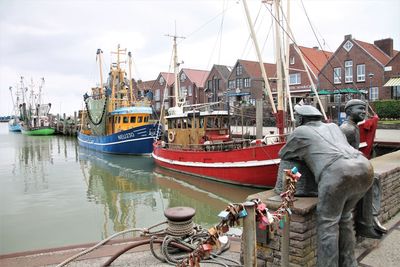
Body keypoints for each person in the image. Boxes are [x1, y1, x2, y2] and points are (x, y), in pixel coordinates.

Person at [279, 105, 374, 267]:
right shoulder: (334, 127)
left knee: (328, 225)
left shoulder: (299, 132)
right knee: (345, 218)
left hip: (337, 173)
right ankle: (349, 263)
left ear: (301, 119)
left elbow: (284, 154)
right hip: (365, 167)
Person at [340, 99, 387, 238]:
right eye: (360, 109)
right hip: (345, 171)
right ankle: (366, 224)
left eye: (364, 109)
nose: (364, 112)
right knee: (369, 180)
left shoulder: (353, 127)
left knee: (374, 177)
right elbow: (344, 154)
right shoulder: (347, 129)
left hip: (350, 166)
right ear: (349, 111)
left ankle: (370, 219)